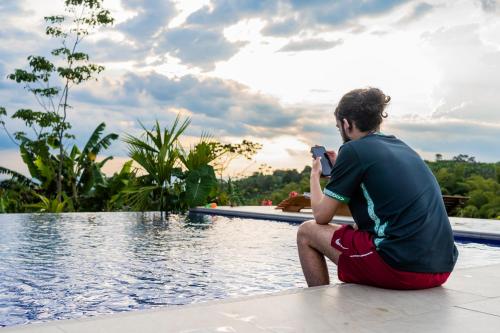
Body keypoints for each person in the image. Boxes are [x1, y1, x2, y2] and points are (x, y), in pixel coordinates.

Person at [297, 87, 458, 289]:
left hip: (402, 268)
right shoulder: (401, 147)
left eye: (339, 128)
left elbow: (321, 216)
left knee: (306, 231)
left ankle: (317, 305)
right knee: (357, 227)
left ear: (346, 124)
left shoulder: (352, 150)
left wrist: (314, 174)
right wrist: (340, 170)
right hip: (441, 268)